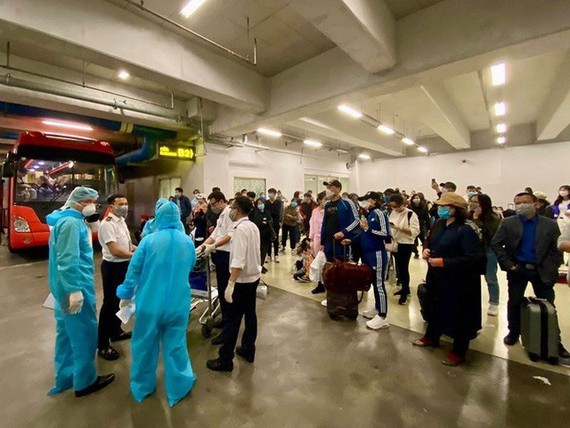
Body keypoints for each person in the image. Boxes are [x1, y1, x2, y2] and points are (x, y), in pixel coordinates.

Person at [117, 202, 197, 406]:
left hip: (149, 303)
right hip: (178, 304)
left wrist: (125, 294)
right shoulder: (187, 242)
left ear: (158, 217)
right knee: (176, 346)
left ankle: (142, 386)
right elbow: (192, 265)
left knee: (144, 345)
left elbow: (133, 270)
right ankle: (180, 385)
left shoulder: (148, 241)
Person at [46, 186, 115, 397]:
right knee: (84, 334)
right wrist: (75, 289)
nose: (93, 206)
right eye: (90, 202)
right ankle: (85, 382)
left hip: (61, 288)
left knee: (66, 335)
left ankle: (66, 377)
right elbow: (67, 260)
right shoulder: (72, 224)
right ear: (80, 202)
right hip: (75, 287)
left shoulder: (63, 220)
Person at [491, 192, 570, 366]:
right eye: (517, 203)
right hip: (518, 269)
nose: (521, 206)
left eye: (525, 202)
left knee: (548, 305)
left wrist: (550, 267)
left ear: (535, 204)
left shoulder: (549, 225)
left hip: (541, 270)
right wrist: (508, 264)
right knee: (514, 302)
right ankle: (513, 332)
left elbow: (556, 249)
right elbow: (496, 244)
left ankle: (554, 342)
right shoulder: (508, 223)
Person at [413, 192, 484, 366]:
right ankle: (432, 336)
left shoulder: (467, 229)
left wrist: (445, 262)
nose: (440, 209)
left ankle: (459, 350)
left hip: (459, 280)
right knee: (434, 305)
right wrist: (426, 250)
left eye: (444, 206)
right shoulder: (439, 224)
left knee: (459, 313)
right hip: (437, 276)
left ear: (456, 209)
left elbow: (473, 258)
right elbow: (428, 240)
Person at [207, 196, 261, 372]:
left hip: (241, 281)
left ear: (237, 210)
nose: (230, 210)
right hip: (253, 278)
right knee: (250, 314)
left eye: (232, 207)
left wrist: (231, 284)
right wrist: (210, 246)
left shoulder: (239, 229)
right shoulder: (252, 226)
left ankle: (225, 359)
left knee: (232, 320)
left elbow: (238, 260)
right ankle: (247, 349)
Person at [97, 194, 135, 361]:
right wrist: (136, 257)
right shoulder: (107, 224)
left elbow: (127, 245)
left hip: (124, 265)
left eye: (126, 203)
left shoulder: (121, 221)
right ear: (111, 206)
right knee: (110, 305)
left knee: (121, 301)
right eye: (121, 204)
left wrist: (140, 249)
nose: (125, 206)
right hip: (113, 267)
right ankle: (103, 345)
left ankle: (116, 331)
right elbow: (115, 251)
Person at [197, 191, 234, 344]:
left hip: (227, 256)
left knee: (227, 292)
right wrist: (201, 247)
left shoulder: (230, 214)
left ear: (221, 201)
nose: (211, 207)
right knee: (220, 287)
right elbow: (215, 235)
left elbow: (229, 236)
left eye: (213, 204)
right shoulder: (222, 216)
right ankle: (225, 319)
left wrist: (212, 246)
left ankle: (228, 329)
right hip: (219, 254)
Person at [316, 180, 360, 295]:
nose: (328, 190)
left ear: (338, 189)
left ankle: (343, 296)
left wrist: (344, 232)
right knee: (330, 269)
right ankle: (332, 296)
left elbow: (356, 220)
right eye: (328, 187)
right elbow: (325, 222)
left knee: (342, 268)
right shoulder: (328, 205)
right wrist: (323, 241)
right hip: (329, 242)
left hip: (342, 242)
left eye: (331, 187)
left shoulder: (347, 203)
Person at [357, 191, 391, 330]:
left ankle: (383, 316)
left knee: (379, 284)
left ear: (374, 201)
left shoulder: (379, 214)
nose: (364, 202)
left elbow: (385, 233)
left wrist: (367, 229)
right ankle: (377, 308)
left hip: (376, 253)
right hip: (367, 254)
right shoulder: (368, 214)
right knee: (372, 281)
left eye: (367, 200)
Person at [469, 193, 501, 316]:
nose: (473, 204)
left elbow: (488, 236)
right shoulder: (469, 216)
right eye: (471, 201)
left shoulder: (494, 218)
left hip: (488, 251)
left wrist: (477, 220)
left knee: (491, 278)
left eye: (476, 202)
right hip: (472, 251)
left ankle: (494, 303)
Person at [388, 193, 420, 305]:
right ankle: (403, 287)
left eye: (396, 206)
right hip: (395, 243)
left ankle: (405, 292)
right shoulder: (392, 212)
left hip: (405, 244)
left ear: (402, 204)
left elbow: (415, 231)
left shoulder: (411, 214)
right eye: (392, 206)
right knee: (398, 268)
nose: (394, 209)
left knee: (404, 267)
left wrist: (398, 228)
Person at [249, 197, 275, 273]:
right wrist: (262, 223)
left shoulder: (267, 211)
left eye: (262, 203)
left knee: (263, 251)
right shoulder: (253, 212)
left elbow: (270, 220)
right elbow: (252, 222)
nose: (261, 205)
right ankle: (256, 265)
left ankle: (261, 264)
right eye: (259, 204)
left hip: (265, 235)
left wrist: (266, 223)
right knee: (257, 251)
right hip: (256, 234)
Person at [309, 191, 327, 293]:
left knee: (326, 262)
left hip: (326, 240)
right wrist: (310, 239)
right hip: (317, 240)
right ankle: (320, 284)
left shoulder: (329, 211)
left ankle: (327, 283)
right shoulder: (315, 211)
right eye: (324, 199)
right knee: (318, 263)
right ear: (320, 200)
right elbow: (312, 225)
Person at [410, 192, 430, 258]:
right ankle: (416, 253)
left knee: (424, 241)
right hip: (412, 226)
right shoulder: (410, 207)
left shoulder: (424, 207)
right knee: (413, 242)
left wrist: (429, 228)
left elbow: (427, 217)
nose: (416, 199)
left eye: (417, 198)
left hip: (421, 226)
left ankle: (424, 252)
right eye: (414, 198)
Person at [266, 188, 283, 263]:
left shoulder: (278, 202)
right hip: (268, 223)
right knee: (268, 239)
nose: (270, 194)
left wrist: (270, 212)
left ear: (275, 194)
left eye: (271, 193)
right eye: (269, 193)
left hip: (276, 223)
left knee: (275, 239)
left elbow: (277, 212)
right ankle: (268, 255)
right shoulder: (266, 202)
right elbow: (266, 212)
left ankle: (276, 254)